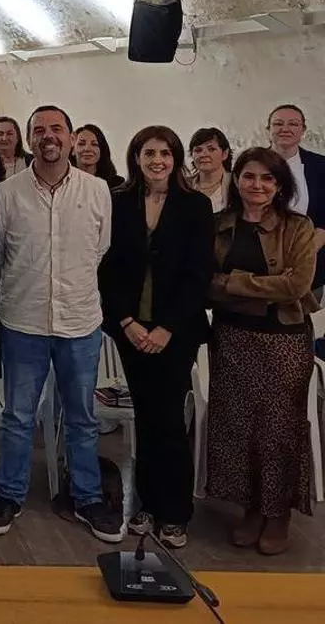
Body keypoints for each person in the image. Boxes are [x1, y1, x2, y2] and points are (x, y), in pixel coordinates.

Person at [0, 106, 121, 543]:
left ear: (71, 137)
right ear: (29, 139)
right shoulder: (6, 193)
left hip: (79, 322)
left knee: (82, 417)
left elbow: (100, 249)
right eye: (39, 130)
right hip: (24, 321)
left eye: (57, 129)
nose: (49, 136)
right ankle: (10, 494)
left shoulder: (97, 191)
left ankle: (87, 497)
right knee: (18, 416)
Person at [99, 126, 214, 549]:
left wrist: (166, 328)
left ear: (176, 158)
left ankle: (176, 511)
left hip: (175, 331)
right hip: (132, 328)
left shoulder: (195, 205)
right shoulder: (119, 202)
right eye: (149, 153)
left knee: (169, 418)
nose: (157, 161)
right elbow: (107, 268)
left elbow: (198, 273)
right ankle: (147, 504)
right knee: (145, 417)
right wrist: (126, 321)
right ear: (136, 157)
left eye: (165, 153)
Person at [206, 147, 318, 556]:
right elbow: (204, 282)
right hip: (232, 339)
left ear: (280, 185)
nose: (257, 185)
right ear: (236, 180)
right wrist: (262, 288)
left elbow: (297, 285)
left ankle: (278, 513)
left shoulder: (298, 226)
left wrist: (232, 282)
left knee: (278, 431)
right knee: (238, 428)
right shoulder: (219, 225)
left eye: (267, 178)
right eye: (249, 176)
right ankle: (251, 509)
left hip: (283, 341)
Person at [267, 104, 325, 288]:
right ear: (268, 130)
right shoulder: (252, 164)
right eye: (278, 124)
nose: (285, 129)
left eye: (293, 124)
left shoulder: (321, 166)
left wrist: (303, 257)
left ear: (303, 130)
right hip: (260, 263)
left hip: (309, 264)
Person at [188, 127, 233, 213]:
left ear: (225, 154)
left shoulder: (236, 184)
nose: (204, 154)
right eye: (198, 150)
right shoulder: (184, 185)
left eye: (211, 149)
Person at [72, 124, 125, 189]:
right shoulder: (64, 182)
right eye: (81, 144)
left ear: (102, 150)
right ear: (72, 150)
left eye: (94, 144)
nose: (87, 149)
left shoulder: (117, 184)